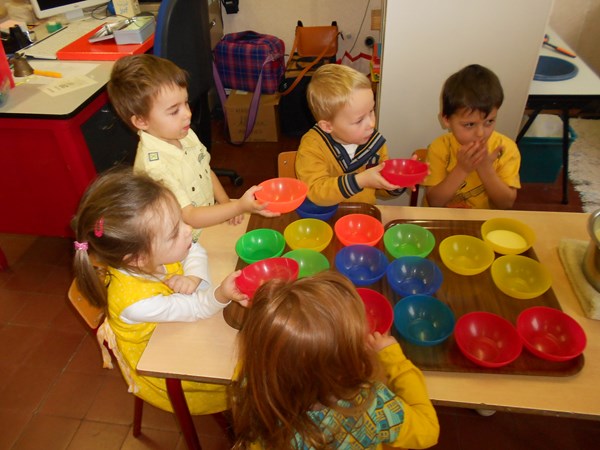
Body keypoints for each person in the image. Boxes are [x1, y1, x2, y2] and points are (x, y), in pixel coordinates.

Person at [72, 168, 249, 415]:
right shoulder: (136, 303)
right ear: (139, 259)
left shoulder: (144, 255)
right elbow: (196, 308)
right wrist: (220, 294)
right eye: (174, 232)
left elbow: (194, 249)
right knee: (234, 369)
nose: (188, 229)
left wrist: (194, 277)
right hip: (159, 362)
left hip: (172, 326)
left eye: (180, 220)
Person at [230, 271, 440, 450]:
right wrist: (393, 358)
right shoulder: (370, 405)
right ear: (344, 366)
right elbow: (428, 430)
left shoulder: (252, 383)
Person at [107, 54, 277, 241]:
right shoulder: (155, 168)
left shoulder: (183, 133)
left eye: (185, 103)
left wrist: (225, 203)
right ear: (141, 121)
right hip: (180, 239)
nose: (187, 114)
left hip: (206, 223)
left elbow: (205, 170)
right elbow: (189, 216)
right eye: (174, 111)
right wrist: (237, 207)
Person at [295, 64, 409, 206]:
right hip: (328, 215)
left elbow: (379, 186)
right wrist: (360, 180)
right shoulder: (313, 145)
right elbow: (316, 191)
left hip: (363, 213)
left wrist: (397, 181)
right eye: (359, 120)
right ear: (327, 126)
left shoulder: (374, 142)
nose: (371, 124)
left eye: (371, 111)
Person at [422, 64, 521, 209]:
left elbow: (506, 204)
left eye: (489, 122)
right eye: (469, 124)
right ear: (446, 119)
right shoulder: (439, 148)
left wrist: (485, 167)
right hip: (443, 218)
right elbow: (435, 202)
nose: (480, 133)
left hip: (484, 220)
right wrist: (462, 169)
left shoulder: (505, 149)